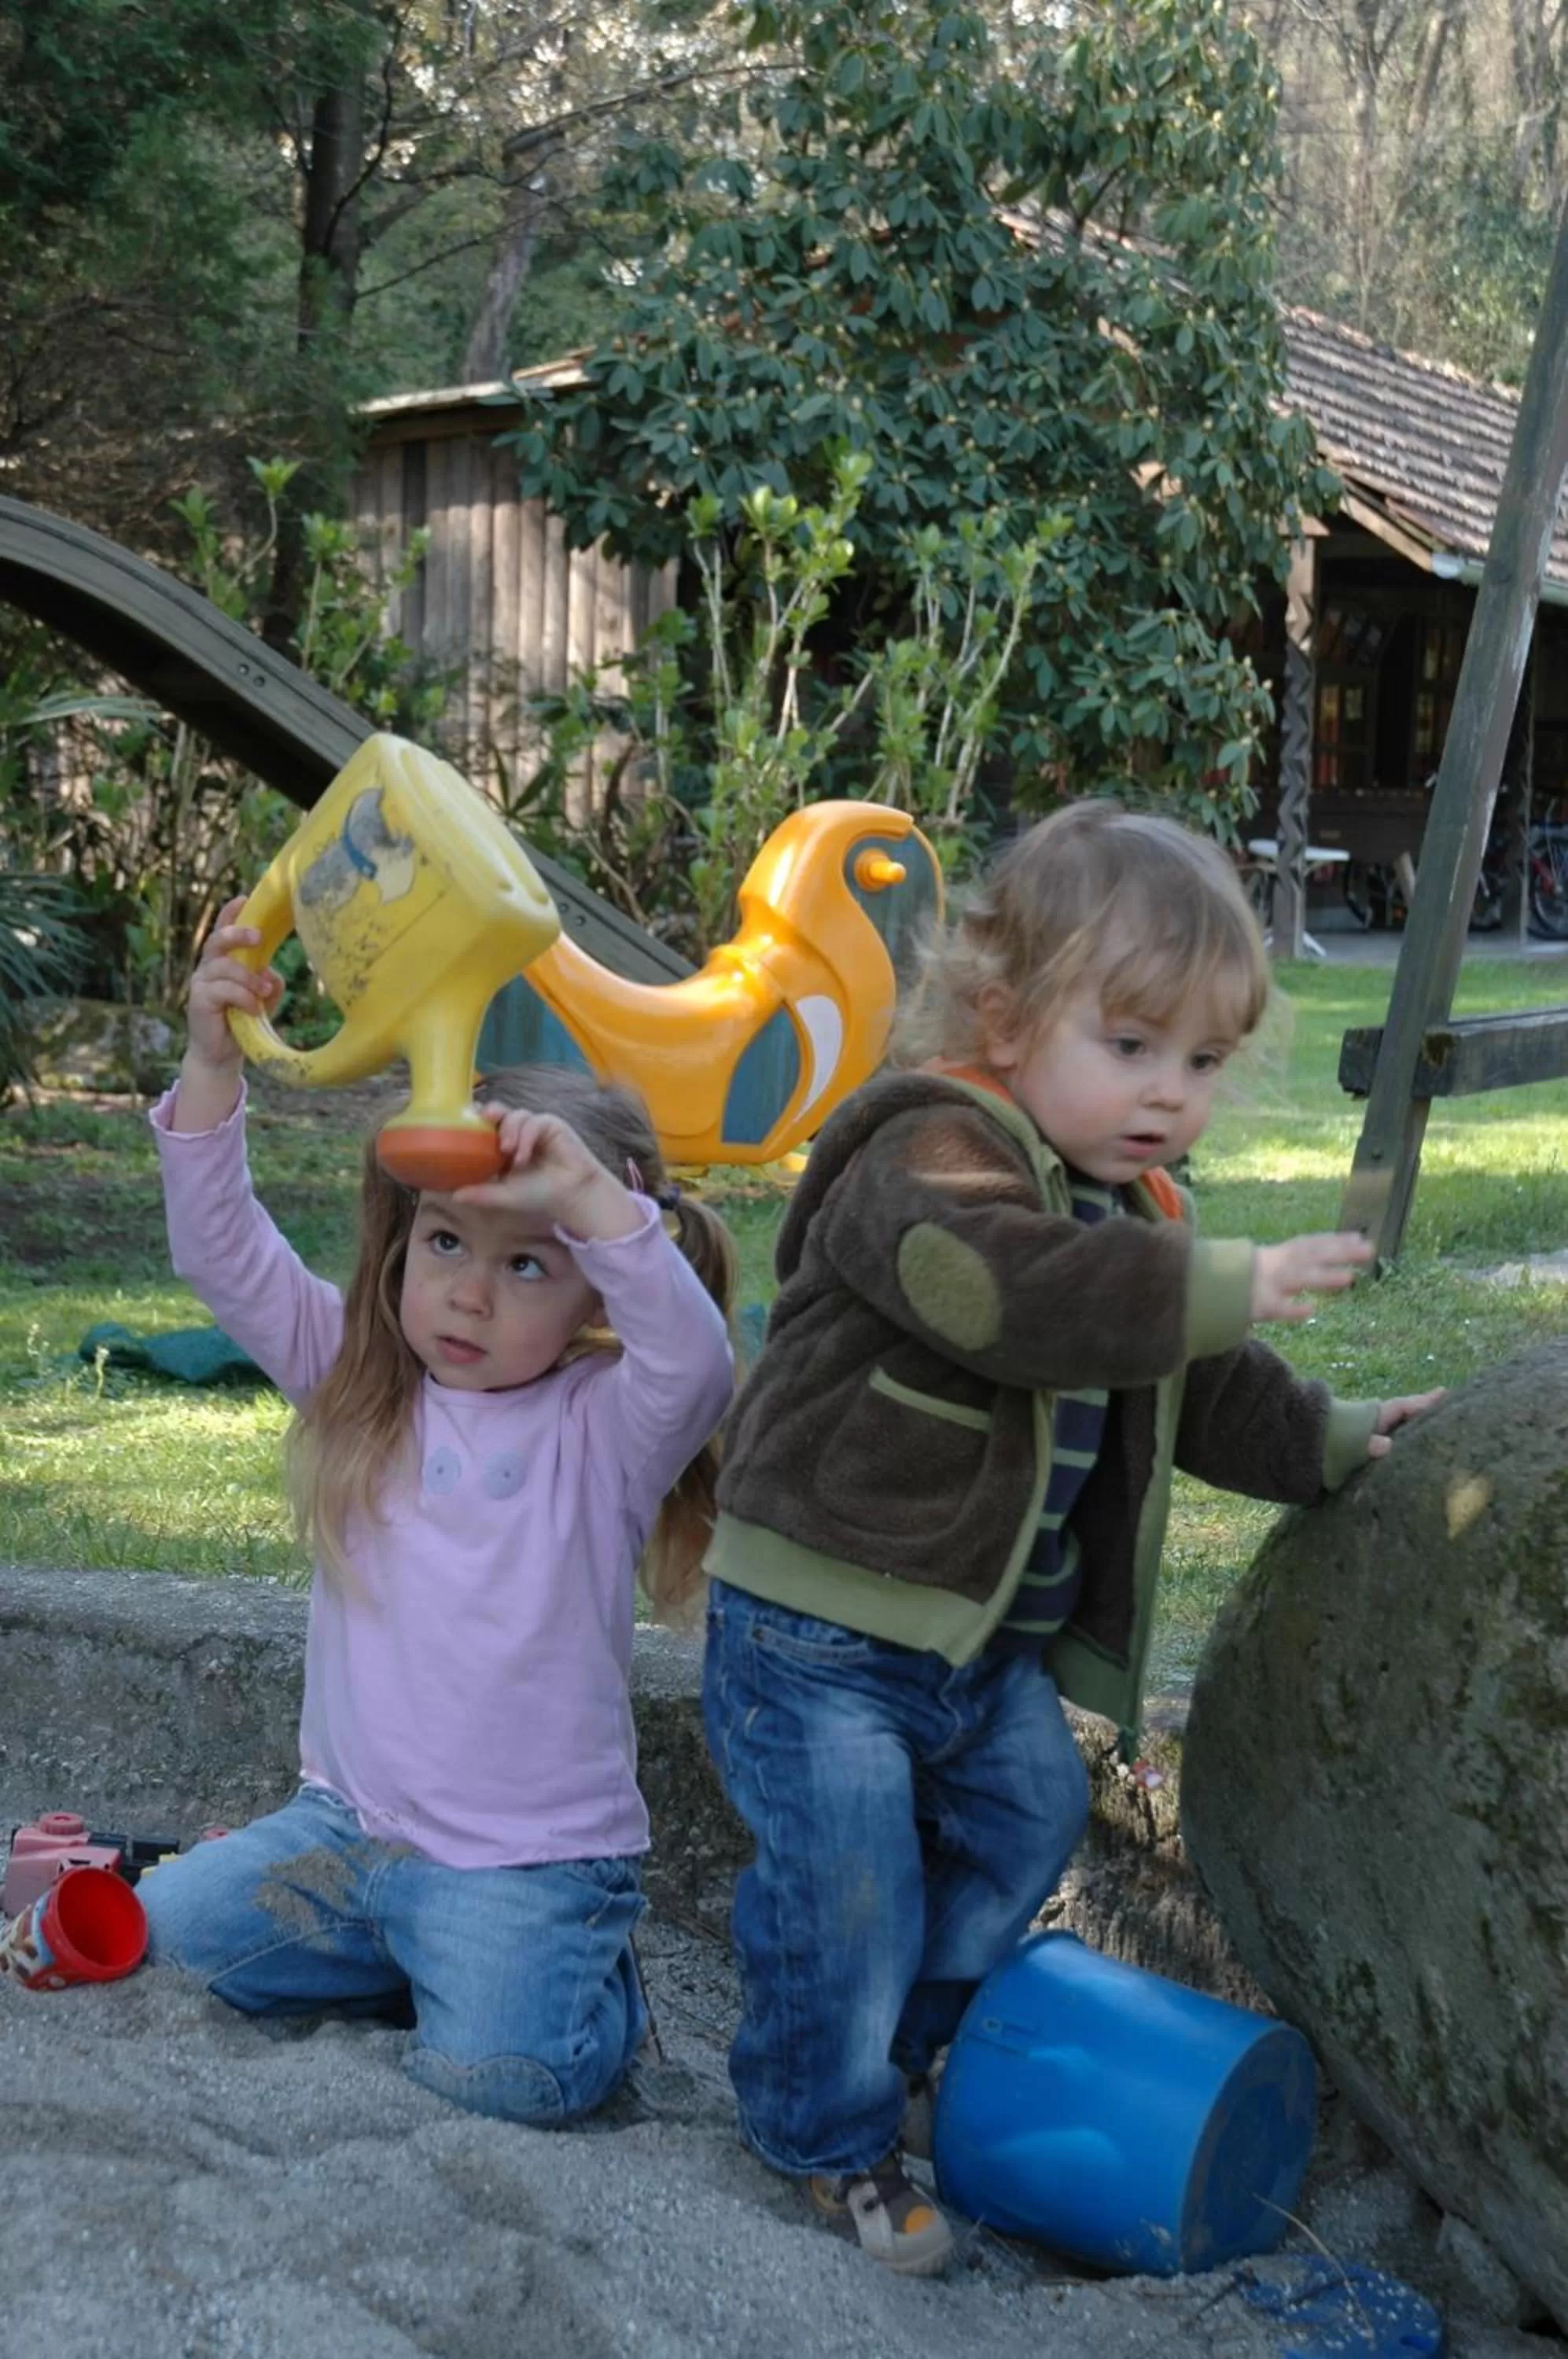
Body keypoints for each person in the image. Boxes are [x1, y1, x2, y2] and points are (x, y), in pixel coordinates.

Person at [700, 800, 1445, 2275]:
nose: (1172, 1092)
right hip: (818, 1633)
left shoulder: (1120, 1202)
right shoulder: (923, 1155)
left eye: (1204, 1061)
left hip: (972, 1651)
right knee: (846, 1884)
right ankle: (819, 2132)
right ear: (1003, 1016)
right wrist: (1219, 1277)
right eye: (1131, 1046)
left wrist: (1335, 1442)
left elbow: (1196, 1377)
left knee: (1031, 1815)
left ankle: (914, 2052)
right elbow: (1010, 1301)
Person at [139, 898, 735, 2128]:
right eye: (446, 1242)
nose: (468, 1293)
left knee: (502, 2083)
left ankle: (589, 1983)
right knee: (161, 1944)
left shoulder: (604, 1426)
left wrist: (599, 1204)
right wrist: (210, 1059)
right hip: (345, 1838)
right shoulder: (357, 1378)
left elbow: (699, 1362)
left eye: (527, 1264)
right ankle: (402, 1966)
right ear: (399, 1241)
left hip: (521, 1872)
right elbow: (220, 1253)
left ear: (590, 1297)